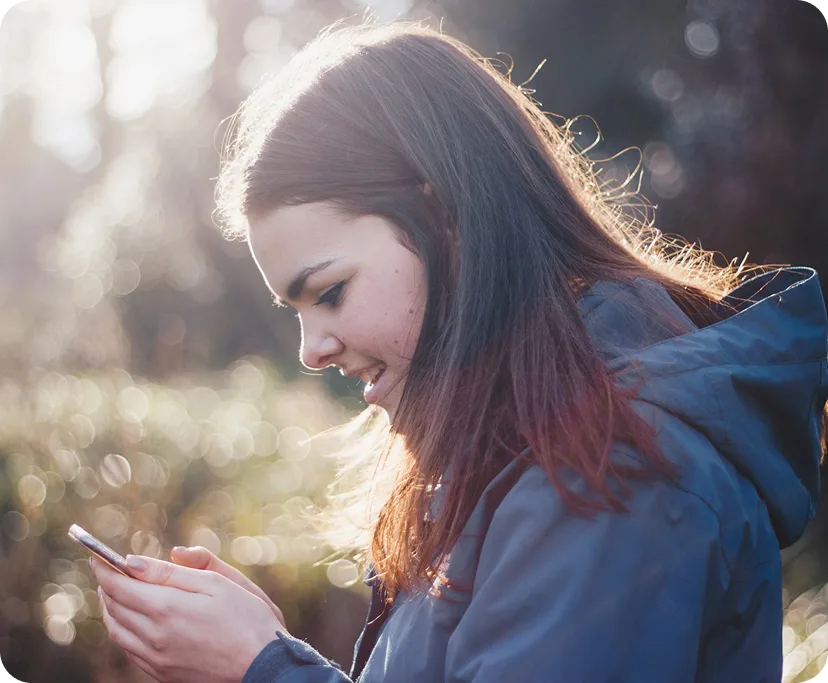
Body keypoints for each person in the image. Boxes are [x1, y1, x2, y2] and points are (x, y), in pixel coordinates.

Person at [88, 19, 828, 683]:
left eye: (332, 291)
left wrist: (263, 668)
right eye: (296, 311)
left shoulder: (613, 476)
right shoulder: (532, 451)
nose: (312, 350)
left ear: (444, 214)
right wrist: (263, 653)